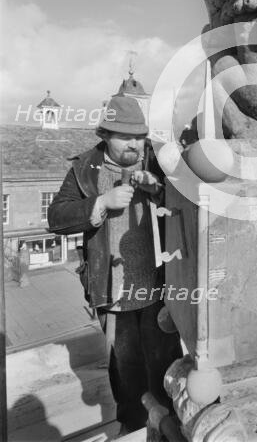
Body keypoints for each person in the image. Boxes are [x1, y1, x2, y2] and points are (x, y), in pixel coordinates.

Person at [48, 95, 182, 435]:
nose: (135, 145)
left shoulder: (155, 159)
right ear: (105, 134)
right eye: (126, 137)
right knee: (125, 365)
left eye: (139, 136)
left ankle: (167, 423)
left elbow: (189, 208)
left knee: (163, 360)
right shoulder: (84, 169)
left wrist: (161, 190)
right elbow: (57, 217)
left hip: (158, 286)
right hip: (114, 291)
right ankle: (132, 425)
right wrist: (101, 202)